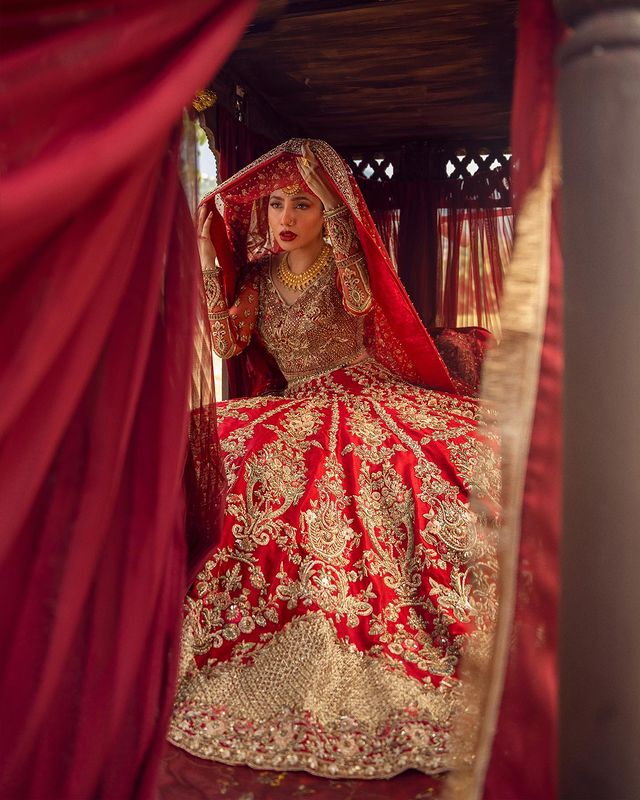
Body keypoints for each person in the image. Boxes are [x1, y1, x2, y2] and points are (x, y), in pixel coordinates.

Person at [168, 139, 500, 780]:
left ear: (330, 215)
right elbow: (231, 336)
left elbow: (357, 303)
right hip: (292, 400)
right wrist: (212, 257)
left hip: (358, 391)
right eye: (274, 206)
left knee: (415, 473)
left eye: (303, 205)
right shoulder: (262, 276)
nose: (284, 218)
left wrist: (343, 216)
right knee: (209, 449)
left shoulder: (342, 269)